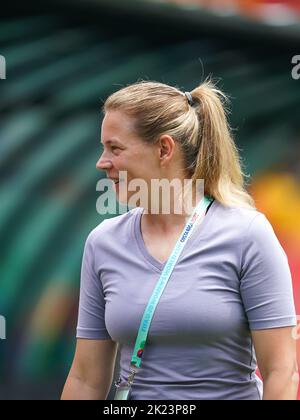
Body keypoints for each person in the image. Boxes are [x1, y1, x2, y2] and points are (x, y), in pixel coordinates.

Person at [61, 79, 299, 400]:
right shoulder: (103, 242)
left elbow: (281, 371)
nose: (101, 162)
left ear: (164, 149)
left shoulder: (247, 234)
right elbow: (86, 379)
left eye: (115, 148)